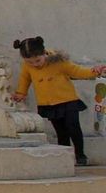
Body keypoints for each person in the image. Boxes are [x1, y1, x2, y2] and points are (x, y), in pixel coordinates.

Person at [11, 36, 106, 166]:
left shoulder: (58, 61)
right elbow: (25, 79)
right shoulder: (28, 67)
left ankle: (80, 156)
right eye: (30, 62)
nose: (35, 64)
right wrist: (21, 93)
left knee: (73, 127)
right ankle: (64, 157)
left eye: (38, 60)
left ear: (44, 53)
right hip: (48, 104)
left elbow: (77, 71)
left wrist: (94, 71)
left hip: (68, 101)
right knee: (61, 132)